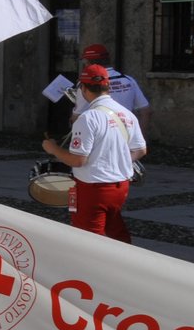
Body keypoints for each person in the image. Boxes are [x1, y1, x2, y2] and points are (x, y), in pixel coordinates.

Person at [44, 63, 147, 243]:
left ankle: (91, 271)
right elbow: (140, 150)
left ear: (83, 88)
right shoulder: (126, 114)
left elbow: (78, 160)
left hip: (94, 187)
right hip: (120, 186)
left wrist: (52, 149)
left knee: (88, 240)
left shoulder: (88, 117)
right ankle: (127, 265)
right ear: (107, 86)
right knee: (116, 232)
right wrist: (116, 161)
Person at [73, 44, 151, 130]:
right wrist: (140, 138)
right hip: (127, 136)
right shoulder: (129, 80)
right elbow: (146, 111)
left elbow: (77, 117)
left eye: (85, 63)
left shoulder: (87, 83)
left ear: (89, 64)